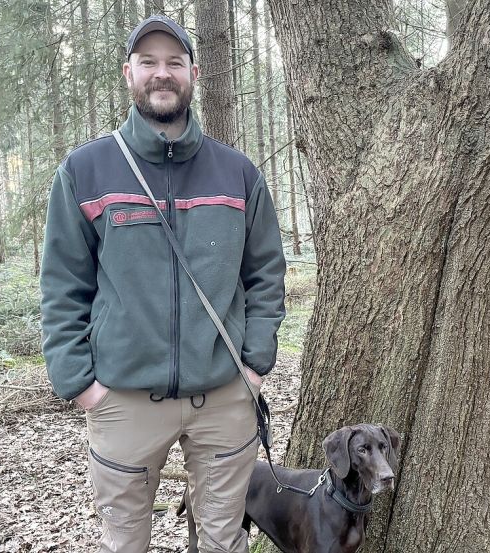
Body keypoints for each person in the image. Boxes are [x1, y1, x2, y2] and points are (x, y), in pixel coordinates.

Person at [39, 14, 286, 553]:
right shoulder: (85, 171)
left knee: (224, 540)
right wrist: (80, 384)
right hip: (124, 398)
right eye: (148, 62)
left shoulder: (238, 174)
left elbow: (266, 274)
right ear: (128, 72)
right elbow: (62, 286)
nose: (162, 73)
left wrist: (255, 365)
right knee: (125, 542)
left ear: (193, 74)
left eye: (175, 62)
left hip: (224, 395)